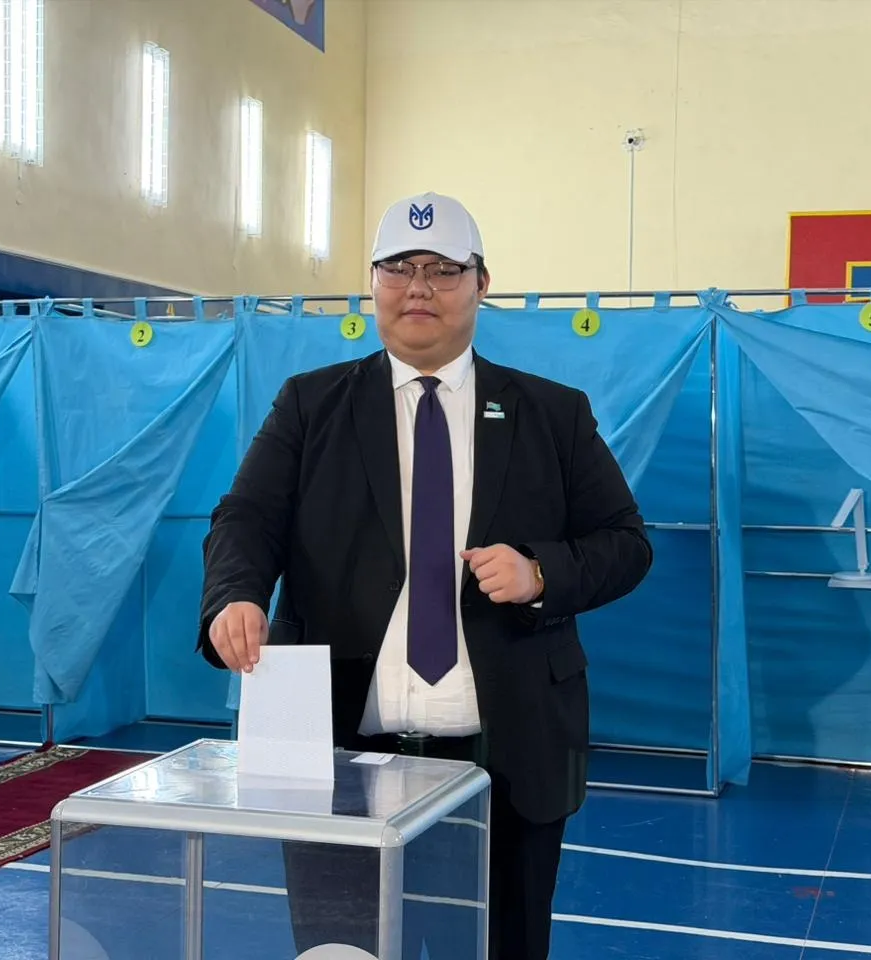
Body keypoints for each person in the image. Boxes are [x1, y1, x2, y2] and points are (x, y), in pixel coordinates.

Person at [197, 191, 653, 959]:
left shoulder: (551, 414)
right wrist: (234, 594)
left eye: (443, 269)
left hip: (507, 759)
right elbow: (246, 517)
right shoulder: (311, 406)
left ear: (482, 283)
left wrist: (542, 573)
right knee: (346, 952)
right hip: (342, 753)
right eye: (399, 268)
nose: (419, 287)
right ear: (372, 283)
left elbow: (626, 543)